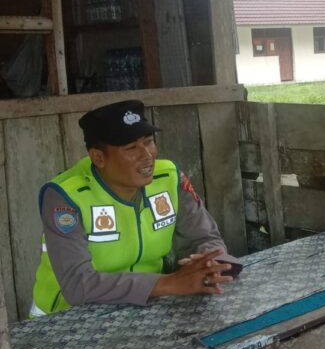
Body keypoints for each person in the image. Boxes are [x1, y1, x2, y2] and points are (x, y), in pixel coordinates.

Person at [30, 99, 241, 316]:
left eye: (149, 142)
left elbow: (202, 238)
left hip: (147, 308)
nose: (147, 155)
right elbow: (78, 285)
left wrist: (209, 263)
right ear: (99, 157)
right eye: (131, 148)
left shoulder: (169, 177)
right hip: (65, 321)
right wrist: (169, 283)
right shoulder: (66, 196)